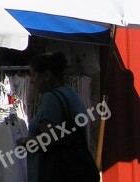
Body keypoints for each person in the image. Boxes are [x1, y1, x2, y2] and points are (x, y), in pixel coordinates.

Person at [17, 52, 99, 182]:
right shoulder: (70, 93)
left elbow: (48, 140)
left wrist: (23, 142)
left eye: (33, 75)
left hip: (57, 173)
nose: (31, 81)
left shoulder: (51, 98)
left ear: (47, 75)